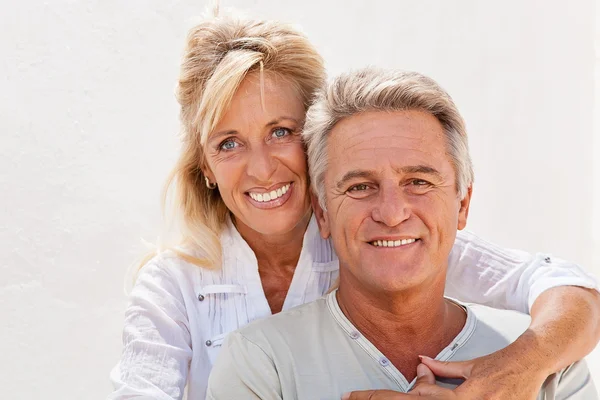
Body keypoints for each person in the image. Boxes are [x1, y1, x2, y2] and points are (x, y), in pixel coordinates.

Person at [108, 13, 600, 400]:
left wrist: (519, 367)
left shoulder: (380, 240)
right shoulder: (174, 285)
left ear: (317, 142)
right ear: (206, 169)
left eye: (281, 132)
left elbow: (569, 292)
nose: (261, 169)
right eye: (228, 144)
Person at [206, 68, 599, 400]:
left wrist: (530, 360)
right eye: (360, 187)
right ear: (322, 211)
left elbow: (566, 286)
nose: (392, 213)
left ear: (462, 204)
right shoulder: (260, 363)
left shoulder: (545, 365)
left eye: (418, 182)